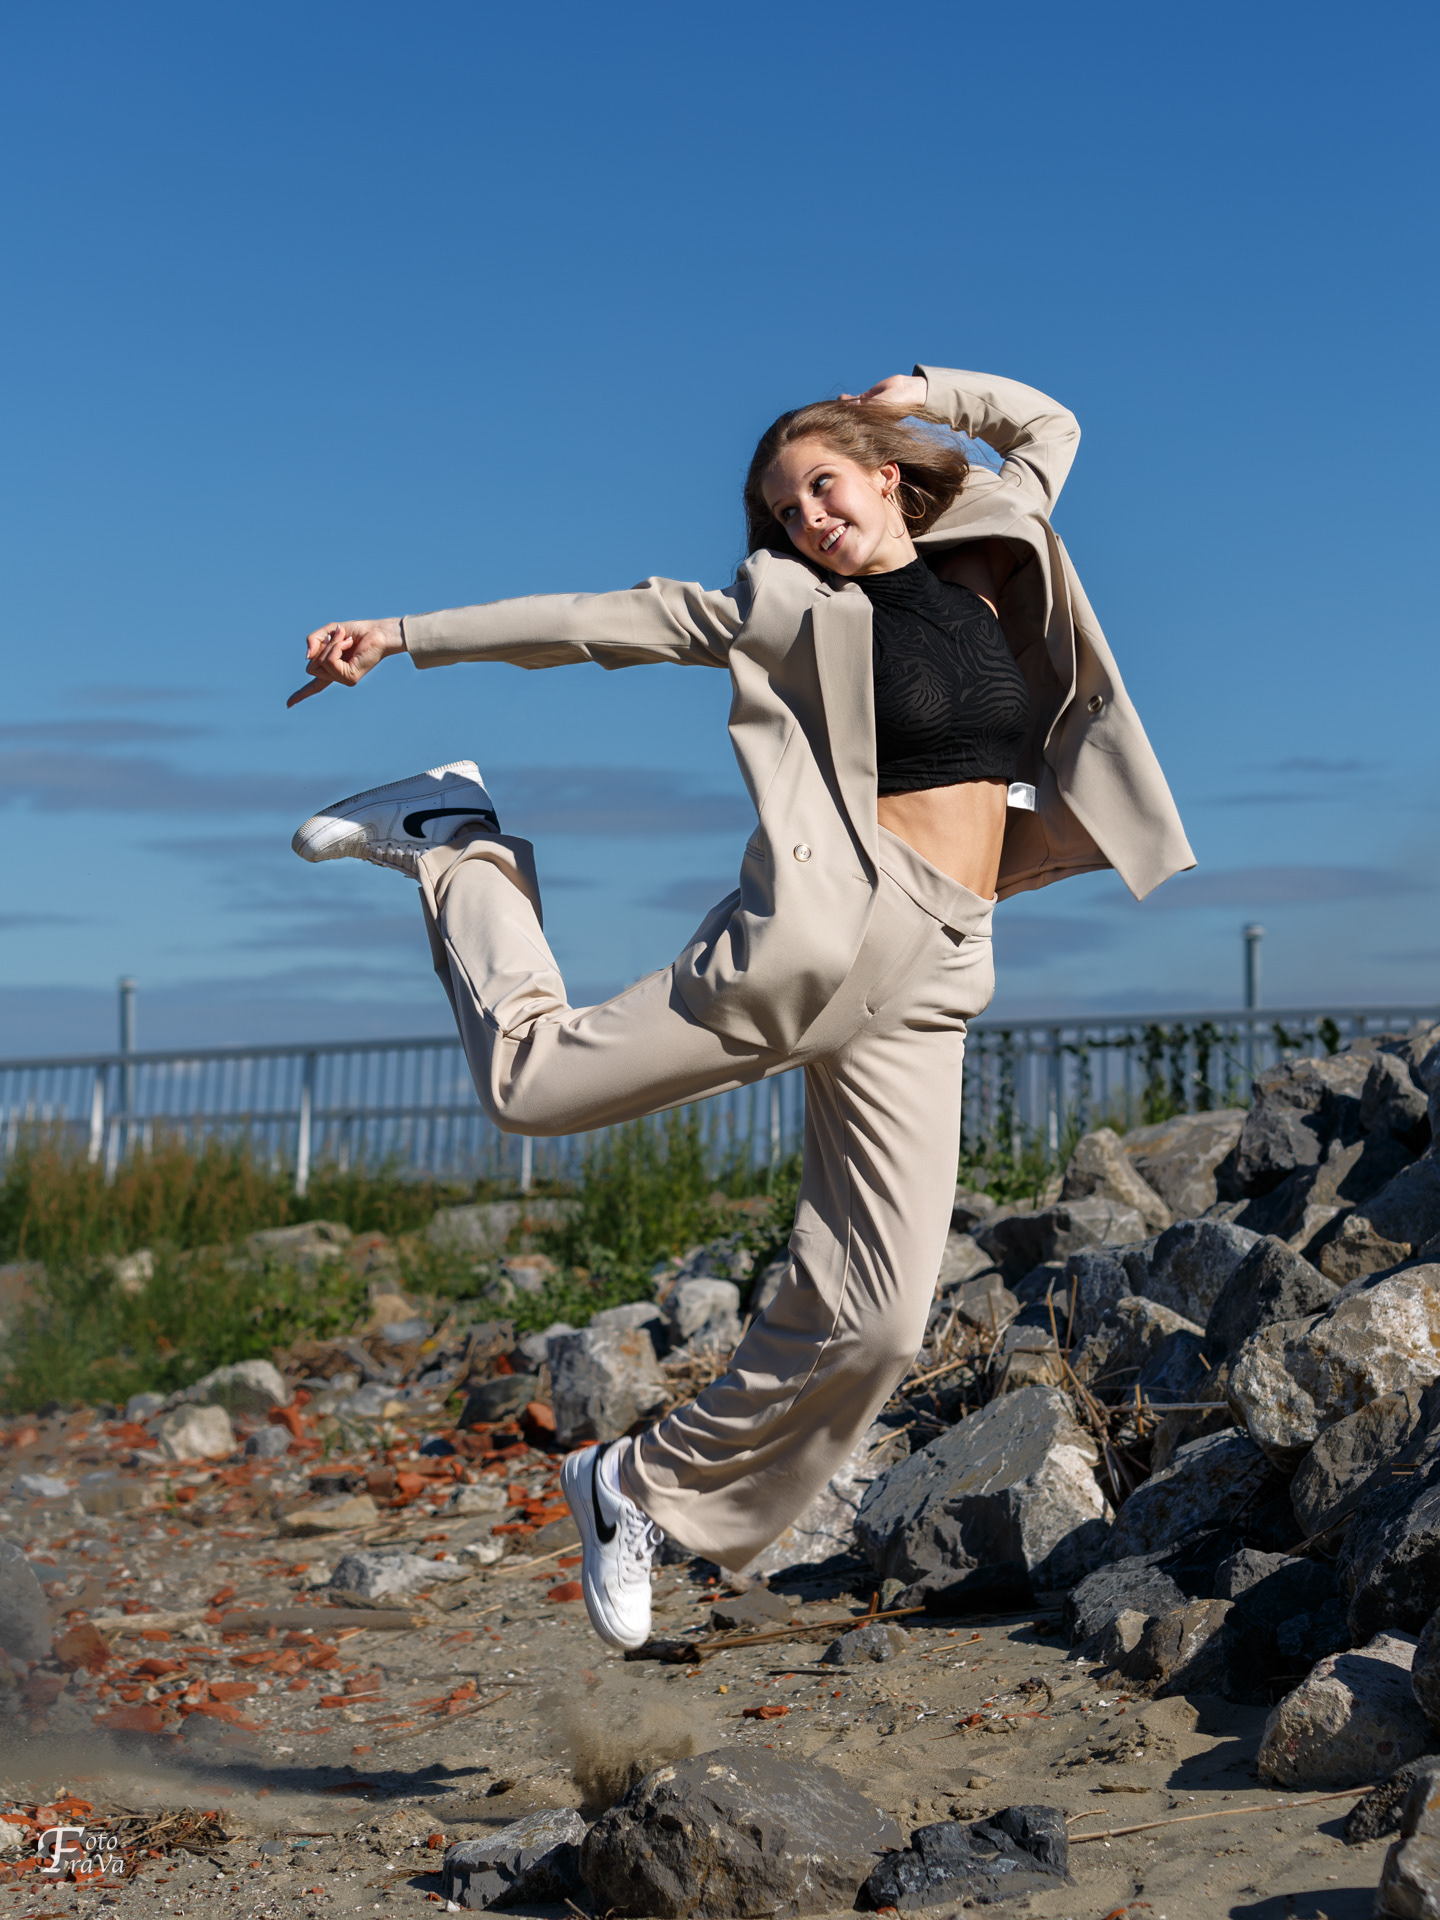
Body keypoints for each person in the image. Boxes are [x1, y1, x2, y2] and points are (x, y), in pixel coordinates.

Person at [287, 365, 1194, 1650]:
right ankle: (454, 841)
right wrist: (404, 632)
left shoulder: (992, 546)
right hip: (816, 944)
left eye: (823, 485)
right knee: (529, 1087)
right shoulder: (789, 606)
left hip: (941, 966)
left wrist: (929, 387)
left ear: (885, 474)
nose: (808, 517)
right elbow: (599, 621)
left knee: (880, 1321)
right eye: (783, 508)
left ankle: (635, 1487)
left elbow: (1048, 425)